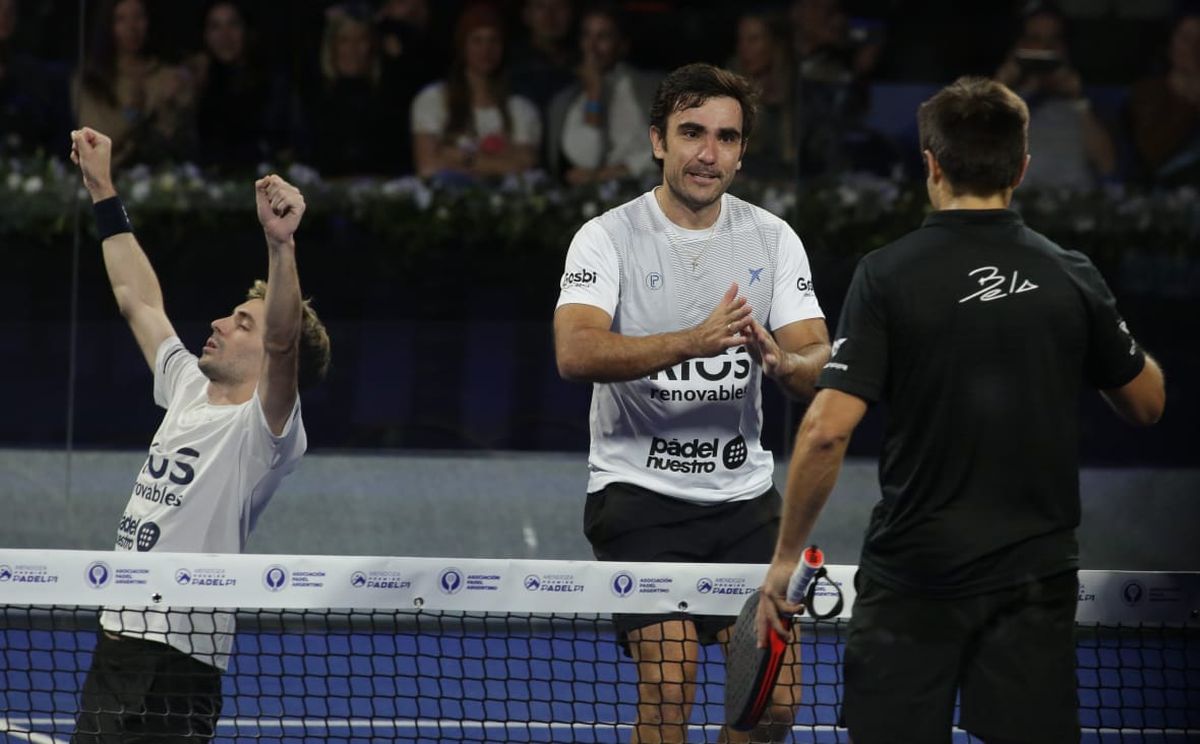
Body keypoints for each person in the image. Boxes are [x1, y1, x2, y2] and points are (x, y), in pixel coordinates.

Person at [756, 77, 1165, 744]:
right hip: (1033, 581)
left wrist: (784, 561)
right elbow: (1147, 403)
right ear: (1022, 168)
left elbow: (826, 432)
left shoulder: (886, 274)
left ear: (931, 163)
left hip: (914, 579)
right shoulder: (1071, 274)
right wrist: (1094, 323)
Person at [554, 62, 831, 743]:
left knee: (774, 703)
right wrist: (692, 341)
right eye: (692, 133)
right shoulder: (606, 236)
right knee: (670, 681)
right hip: (637, 496)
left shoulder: (773, 239)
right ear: (657, 141)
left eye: (727, 138)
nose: (709, 153)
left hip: (744, 503)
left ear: (741, 152)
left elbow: (818, 359)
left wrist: (784, 362)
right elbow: (576, 352)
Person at [68, 125, 331, 742]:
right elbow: (138, 298)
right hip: (120, 637)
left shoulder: (265, 434)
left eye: (241, 323)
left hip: (181, 660)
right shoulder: (186, 384)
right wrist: (103, 188)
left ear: (266, 352)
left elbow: (286, 341)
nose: (216, 322)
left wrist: (281, 246)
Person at [410, 2, 541, 181]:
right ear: (463, 46)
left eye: (493, 40)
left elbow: (524, 168)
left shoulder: (521, 108)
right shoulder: (433, 100)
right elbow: (429, 168)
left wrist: (462, 157)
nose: (486, 50)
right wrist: (500, 163)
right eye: (477, 40)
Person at [994, 4, 1116, 189]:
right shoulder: (1000, 101)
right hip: (1018, 203)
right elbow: (967, 153)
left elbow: (1107, 165)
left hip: (1073, 204)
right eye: (1035, 39)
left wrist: (1078, 99)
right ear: (1019, 45)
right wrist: (999, 87)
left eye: (1053, 40)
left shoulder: (1085, 101)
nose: (1044, 47)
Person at [73, 0, 195, 167]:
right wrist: (133, 113)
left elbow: (180, 140)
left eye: (138, 17)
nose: (132, 27)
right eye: (121, 19)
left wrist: (172, 106)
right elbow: (93, 144)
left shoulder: (169, 76)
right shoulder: (91, 80)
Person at [545, 2, 656, 184]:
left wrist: (621, 171)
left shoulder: (652, 87)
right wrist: (594, 93)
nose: (592, 47)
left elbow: (674, 148)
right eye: (586, 35)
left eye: (603, 37)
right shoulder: (566, 101)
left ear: (622, 45)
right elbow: (588, 159)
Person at [1128, 11, 1200, 186]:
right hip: (1169, 190)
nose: (1195, 47)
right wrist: (1190, 100)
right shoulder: (1147, 92)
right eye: (1186, 38)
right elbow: (1152, 153)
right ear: (1171, 43)